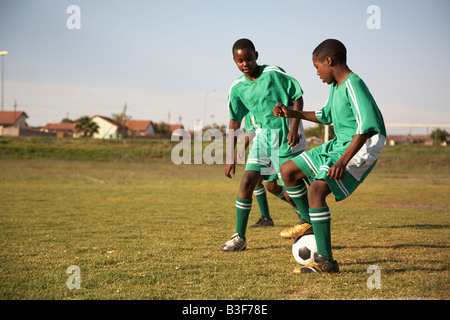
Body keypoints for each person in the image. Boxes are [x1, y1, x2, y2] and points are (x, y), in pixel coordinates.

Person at [273, 39, 386, 273]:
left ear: (329, 61)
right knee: (288, 171)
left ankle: (327, 262)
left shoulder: (354, 84)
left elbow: (366, 127)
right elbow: (325, 116)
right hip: (339, 144)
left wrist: (343, 161)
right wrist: (291, 112)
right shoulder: (335, 87)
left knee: (317, 190)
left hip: (362, 145)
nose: (316, 73)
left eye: (317, 67)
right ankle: (308, 222)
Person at [220, 38, 308, 251]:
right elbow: (234, 121)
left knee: (289, 187)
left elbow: (297, 98)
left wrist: (294, 128)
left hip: (286, 133)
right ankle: (239, 237)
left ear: (256, 55)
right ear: (234, 61)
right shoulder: (237, 88)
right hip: (263, 136)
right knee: (248, 180)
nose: (245, 64)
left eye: (248, 58)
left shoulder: (274, 73)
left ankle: (308, 221)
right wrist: (230, 157)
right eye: (239, 60)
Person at [238, 114, 302, 228]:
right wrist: (242, 149)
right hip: (263, 149)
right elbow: (251, 131)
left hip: (279, 146)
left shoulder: (267, 103)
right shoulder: (248, 111)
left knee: (286, 189)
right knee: (268, 185)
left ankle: (305, 213)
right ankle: (266, 218)